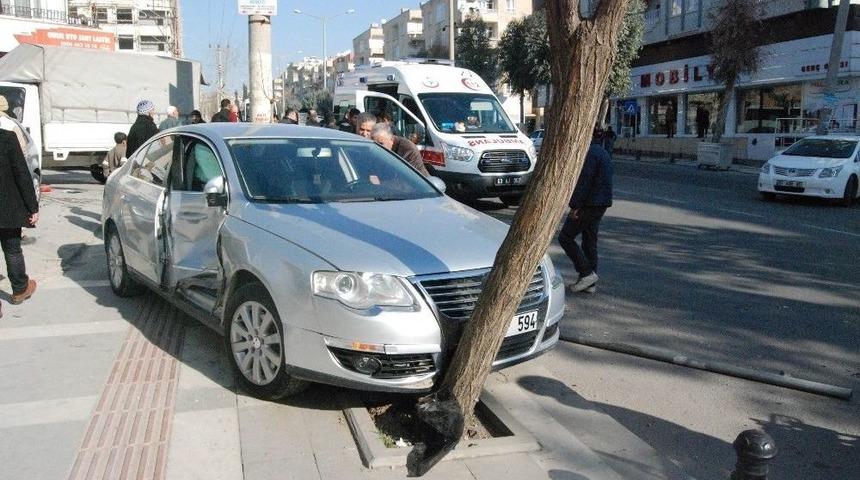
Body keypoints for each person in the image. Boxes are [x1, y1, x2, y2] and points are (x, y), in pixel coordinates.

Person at [558, 132, 613, 293]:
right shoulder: (601, 152)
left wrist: (575, 206)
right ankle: (589, 281)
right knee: (589, 239)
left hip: (588, 203)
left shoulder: (588, 154)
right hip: (601, 203)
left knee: (565, 237)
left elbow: (584, 182)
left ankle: (586, 273)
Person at [0, 128, 39, 312]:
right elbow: (22, 173)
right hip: (7, 207)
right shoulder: (7, 138)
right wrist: (32, 207)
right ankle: (19, 289)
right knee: (12, 249)